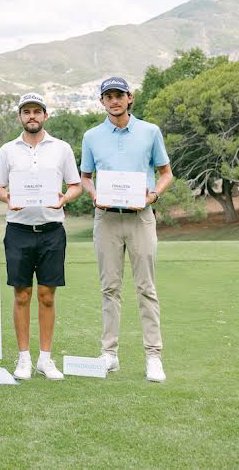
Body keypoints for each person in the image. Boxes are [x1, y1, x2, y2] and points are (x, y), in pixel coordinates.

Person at [80, 77, 174, 382]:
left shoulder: (150, 131)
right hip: (106, 218)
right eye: (108, 96)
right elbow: (85, 177)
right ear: (102, 102)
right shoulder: (92, 136)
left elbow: (166, 173)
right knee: (110, 288)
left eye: (119, 95)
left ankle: (153, 356)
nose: (114, 100)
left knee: (146, 288)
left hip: (141, 217)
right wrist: (94, 193)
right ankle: (109, 354)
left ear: (130, 98)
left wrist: (153, 195)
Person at [0, 93, 82, 380]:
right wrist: (8, 198)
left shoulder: (61, 148)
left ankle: (45, 359)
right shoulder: (7, 150)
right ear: (20, 117)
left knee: (46, 295)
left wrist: (64, 199)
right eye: (26, 112)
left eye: (36, 111)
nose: (31, 116)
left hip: (51, 231)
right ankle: (24, 358)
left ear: (45, 115)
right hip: (18, 230)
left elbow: (75, 185)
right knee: (22, 295)